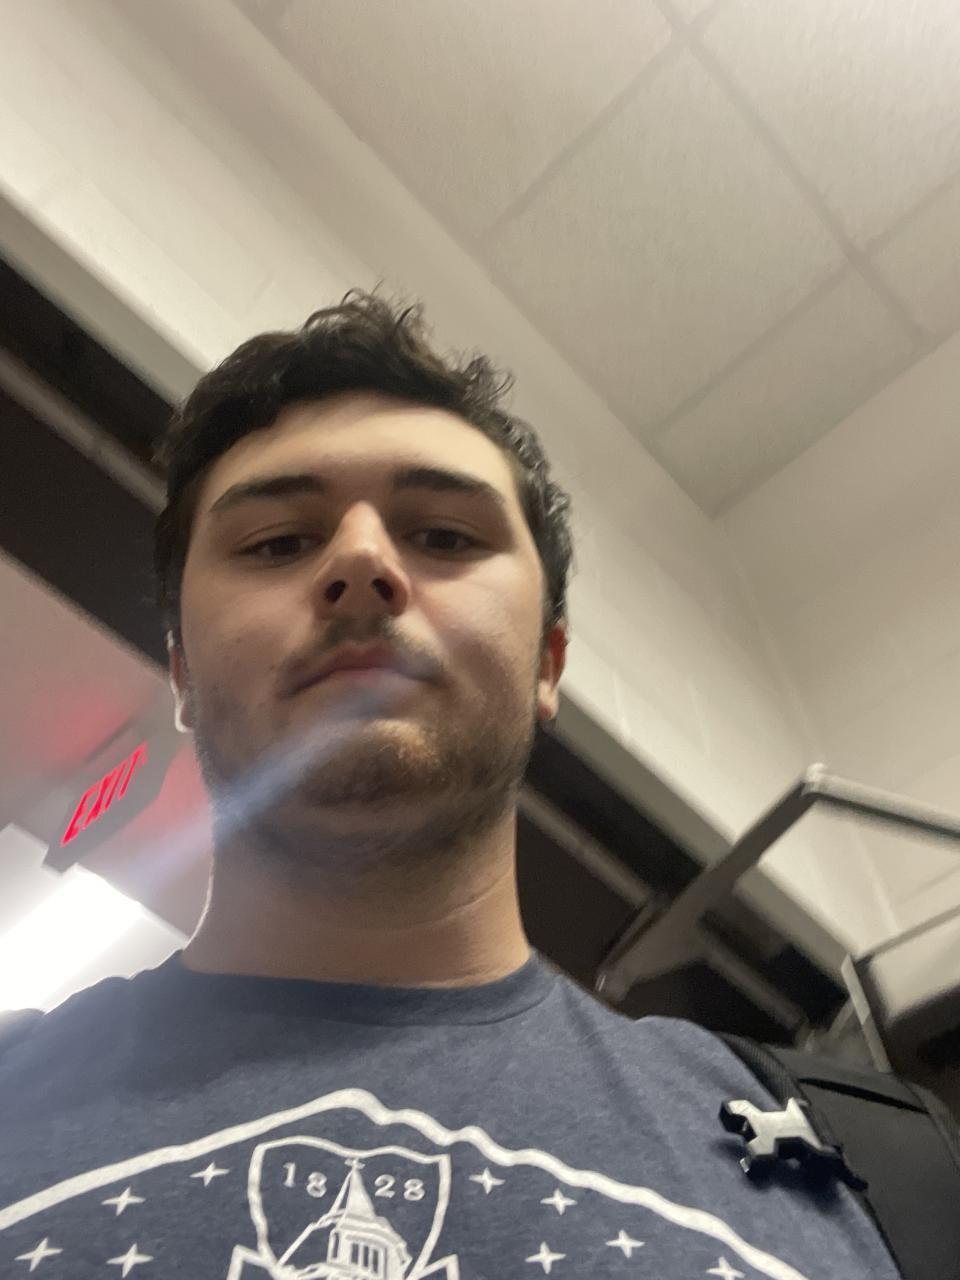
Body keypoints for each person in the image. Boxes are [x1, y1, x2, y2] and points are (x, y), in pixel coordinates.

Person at [0, 289, 900, 1279]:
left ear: (548, 662)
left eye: (444, 536)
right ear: (181, 672)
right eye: (278, 542)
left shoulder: (882, 1172)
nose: (361, 561)